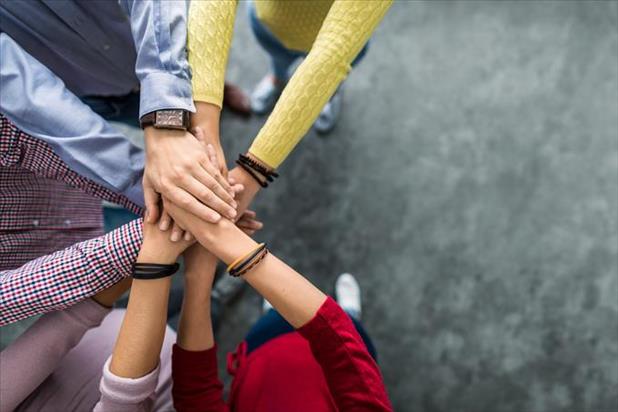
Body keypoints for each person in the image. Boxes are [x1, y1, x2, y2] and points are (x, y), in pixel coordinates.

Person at [0, 0, 237, 241]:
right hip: (95, 93)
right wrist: (156, 183)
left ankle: (219, 95)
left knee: (204, 95)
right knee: (186, 152)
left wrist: (164, 118)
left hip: (171, 45)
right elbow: (31, 99)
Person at [185, 0, 392, 225]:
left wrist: (251, 173)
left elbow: (333, 54)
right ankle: (277, 78)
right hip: (270, 24)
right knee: (279, 62)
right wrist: (206, 136)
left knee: (333, 77)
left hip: (342, 40)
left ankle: (329, 96)